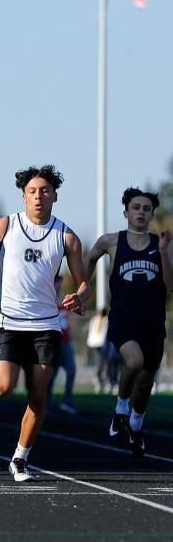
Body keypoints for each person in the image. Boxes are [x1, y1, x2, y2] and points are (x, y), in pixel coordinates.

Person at [0, 164, 89, 482]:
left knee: (38, 395)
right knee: (2, 387)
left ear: (55, 196)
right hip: (8, 321)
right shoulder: (6, 226)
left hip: (46, 325)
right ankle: (9, 365)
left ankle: (20, 458)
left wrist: (79, 296)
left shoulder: (67, 237)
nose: (38, 197)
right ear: (23, 196)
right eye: (32, 192)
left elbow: (83, 283)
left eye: (45, 191)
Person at [84, 187, 172, 457]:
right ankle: (121, 407)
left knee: (146, 381)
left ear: (151, 214)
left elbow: (169, 286)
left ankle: (135, 424)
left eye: (146, 209)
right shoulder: (111, 241)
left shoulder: (162, 245)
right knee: (132, 361)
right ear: (126, 212)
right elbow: (89, 258)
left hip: (153, 323)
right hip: (123, 320)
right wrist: (83, 289)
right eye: (136, 208)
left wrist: (164, 252)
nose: (141, 212)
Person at [45, 281, 78, 415]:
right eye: (56, 282)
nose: (58, 285)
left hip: (66, 341)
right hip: (54, 342)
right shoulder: (47, 300)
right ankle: (46, 402)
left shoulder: (63, 300)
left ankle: (67, 401)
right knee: (51, 374)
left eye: (59, 283)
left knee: (71, 370)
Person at [86, 309, 109, 392]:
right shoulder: (95, 319)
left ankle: (104, 381)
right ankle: (99, 380)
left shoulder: (106, 319)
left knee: (104, 362)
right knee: (99, 362)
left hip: (102, 344)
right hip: (96, 344)